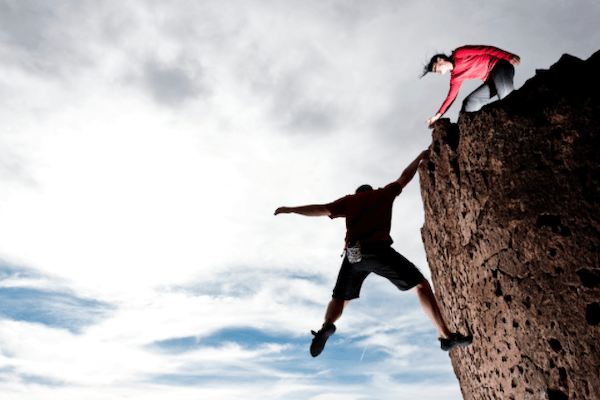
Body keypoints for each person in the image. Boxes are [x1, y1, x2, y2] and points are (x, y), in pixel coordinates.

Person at [274, 150, 472, 357]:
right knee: (420, 286)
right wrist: (421, 156)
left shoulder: (349, 201)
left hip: (353, 255)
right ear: (369, 190)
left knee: (340, 298)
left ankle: (327, 324)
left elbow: (321, 209)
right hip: (378, 251)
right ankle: (445, 336)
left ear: (357, 192)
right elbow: (405, 176)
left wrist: (291, 209)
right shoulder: (382, 194)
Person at [423, 45, 521, 128]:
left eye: (435, 67)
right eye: (434, 71)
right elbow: (450, 98)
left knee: (506, 98)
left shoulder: (459, 53)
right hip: (491, 80)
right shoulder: (455, 78)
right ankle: (467, 133)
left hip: (500, 66)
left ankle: (518, 118)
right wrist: (437, 116)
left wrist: (508, 56)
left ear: (440, 60)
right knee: (469, 102)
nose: (436, 72)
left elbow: (485, 49)